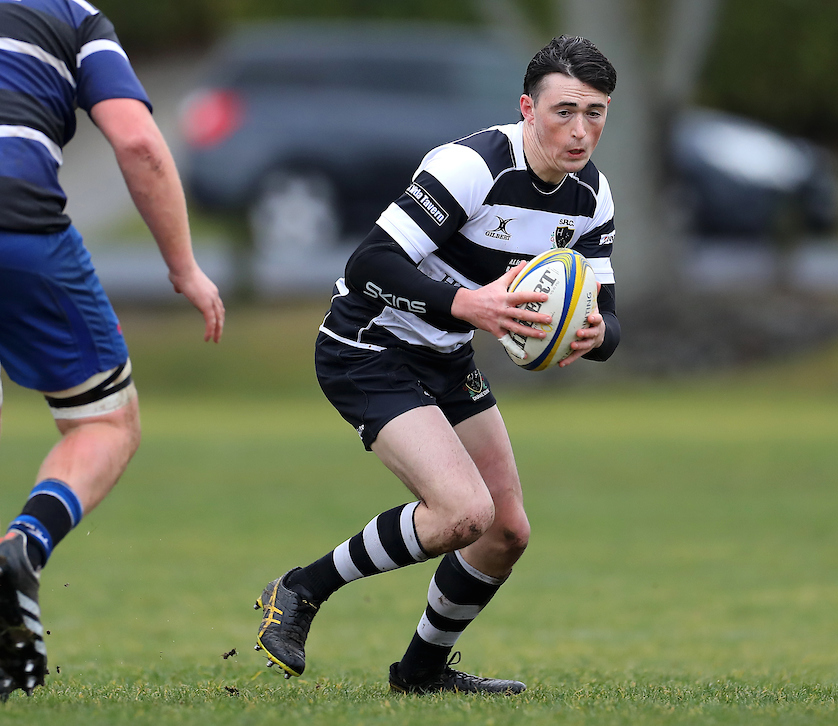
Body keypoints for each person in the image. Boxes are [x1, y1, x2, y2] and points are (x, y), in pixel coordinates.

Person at [254, 34, 620, 694]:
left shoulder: (592, 196)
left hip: (447, 358)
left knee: (506, 531)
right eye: (564, 111)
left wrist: (595, 331)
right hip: (368, 348)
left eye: (595, 112)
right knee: (460, 514)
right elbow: (367, 265)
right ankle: (300, 590)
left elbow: (610, 314)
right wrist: (467, 303)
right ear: (527, 109)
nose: (580, 129)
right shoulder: (472, 166)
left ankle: (421, 672)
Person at [0, 0, 224, 698]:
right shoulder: (71, 16)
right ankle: (24, 547)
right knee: (103, 421)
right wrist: (184, 267)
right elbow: (138, 142)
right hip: (18, 224)